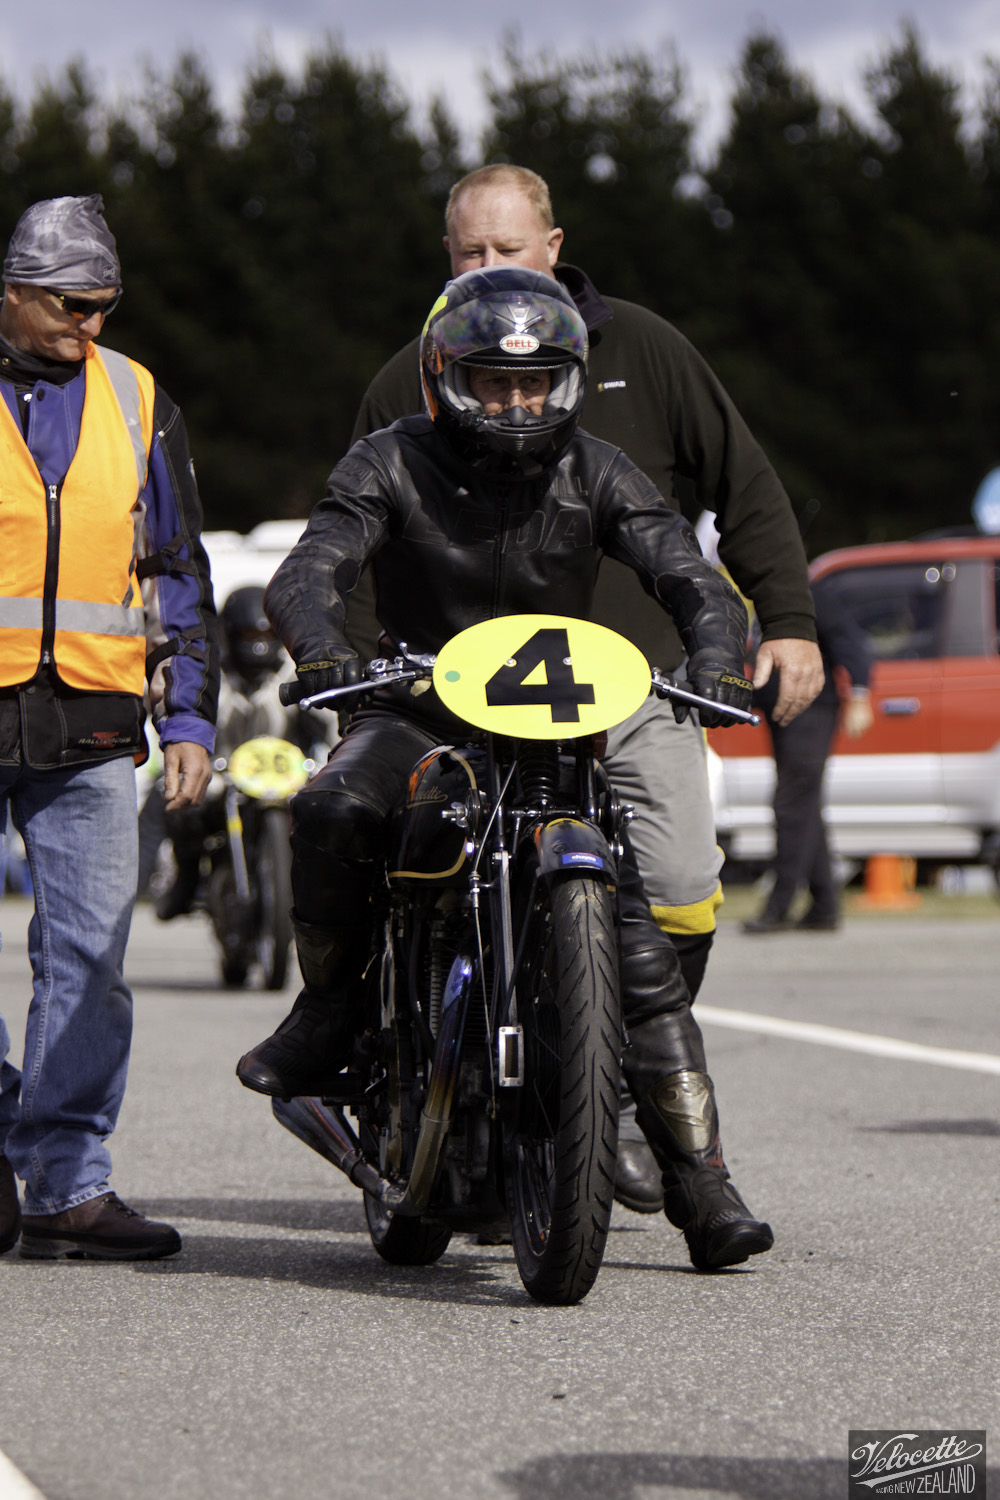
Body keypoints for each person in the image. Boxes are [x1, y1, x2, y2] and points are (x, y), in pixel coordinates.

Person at [236, 265, 774, 1272]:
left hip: (555, 722)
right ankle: (330, 1010)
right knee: (336, 806)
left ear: (567, 380)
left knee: (635, 936)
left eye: (535, 383)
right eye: (493, 382)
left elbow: (689, 572)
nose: (516, 403)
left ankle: (700, 1181)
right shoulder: (385, 459)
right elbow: (312, 565)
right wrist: (320, 644)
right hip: (420, 707)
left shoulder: (602, 466)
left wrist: (714, 652)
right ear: (447, 378)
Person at [348, 163, 824, 1212]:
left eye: (508, 250)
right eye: (468, 252)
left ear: (553, 248)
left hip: (634, 683)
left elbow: (743, 488)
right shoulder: (408, 375)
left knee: (679, 879)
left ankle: (612, 1093)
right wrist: (350, 682)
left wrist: (785, 623)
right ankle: (456, 1099)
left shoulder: (644, 349)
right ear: (446, 257)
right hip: (462, 695)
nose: (487, 269)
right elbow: (349, 545)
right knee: (422, 883)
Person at [0, 196, 219, 1260]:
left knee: (89, 956)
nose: (90, 325)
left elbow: (177, 572)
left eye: (105, 305)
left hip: (89, 717)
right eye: (71, 306)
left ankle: (67, 1181)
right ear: (16, 289)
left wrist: (188, 718)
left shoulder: (136, 398)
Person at [155, 584, 335, 922]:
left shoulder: (293, 673)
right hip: (224, 778)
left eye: (264, 633)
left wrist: (315, 717)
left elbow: (326, 725)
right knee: (181, 805)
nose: (257, 642)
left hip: (287, 781)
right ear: (230, 633)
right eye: (248, 633)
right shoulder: (212, 676)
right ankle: (187, 877)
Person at [743, 577, 874, 932]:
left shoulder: (808, 596)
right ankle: (824, 906)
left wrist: (860, 695)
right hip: (782, 714)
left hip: (811, 711)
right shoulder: (765, 599)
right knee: (804, 806)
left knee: (790, 804)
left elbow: (851, 646)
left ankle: (779, 906)